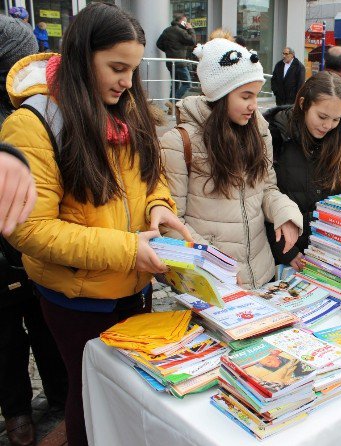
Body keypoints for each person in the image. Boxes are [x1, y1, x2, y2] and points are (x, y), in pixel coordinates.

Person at [0, 4, 192, 445]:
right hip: (78, 299)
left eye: (133, 70)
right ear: (82, 57)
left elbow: (151, 176)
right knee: (89, 399)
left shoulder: (127, 108)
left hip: (135, 287)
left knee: (127, 395)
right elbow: (28, 229)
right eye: (117, 68)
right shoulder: (33, 125)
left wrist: (160, 206)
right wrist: (128, 249)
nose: (127, 82)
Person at [160, 38, 303, 289]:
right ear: (219, 94)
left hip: (261, 274)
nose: (254, 106)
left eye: (257, 95)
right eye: (245, 96)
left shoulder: (260, 132)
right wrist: (213, 263)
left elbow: (267, 189)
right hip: (212, 282)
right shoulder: (179, 142)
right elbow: (170, 221)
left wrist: (286, 214)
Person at [0, 16, 67, 446]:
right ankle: (17, 411)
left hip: (38, 242)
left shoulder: (41, 106)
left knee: (44, 322)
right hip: (2, 245)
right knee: (5, 334)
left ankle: (60, 396)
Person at [264, 71, 341, 271]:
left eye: (336, 119)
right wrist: (285, 251)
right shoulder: (276, 136)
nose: (328, 126)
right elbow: (262, 200)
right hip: (285, 254)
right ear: (303, 104)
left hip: (329, 253)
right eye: (322, 116)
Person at [156, 12, 196, 110]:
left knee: (175, 84)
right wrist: (190, 29)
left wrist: (170, 51)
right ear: (182, 21)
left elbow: (158, 44)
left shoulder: (167, 31)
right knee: (187, 84)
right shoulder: (181, 32)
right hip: (180, 62)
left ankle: (171, 109)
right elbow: (192, 41)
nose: (186, 23)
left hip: (170, 62)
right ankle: (172, 102)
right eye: (185, 22)